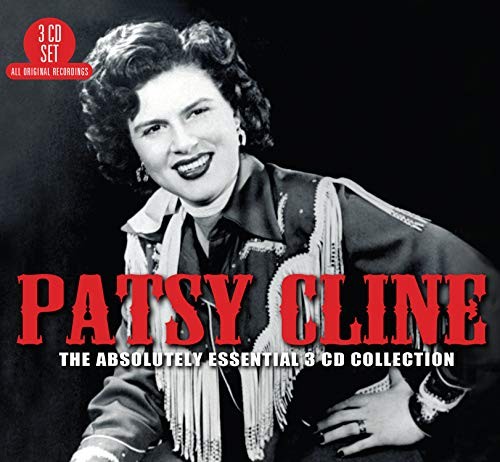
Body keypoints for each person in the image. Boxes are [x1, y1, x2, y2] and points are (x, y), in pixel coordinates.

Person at [70, 20, 500, 462]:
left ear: (235, 114)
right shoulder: (152, 240)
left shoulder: (324, 210)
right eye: (154, 128)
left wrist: (424, 408)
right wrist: (98, 452)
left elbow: (487, 298)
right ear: (134, 150)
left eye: (197, 112)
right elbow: (140, 380)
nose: (183, 143)